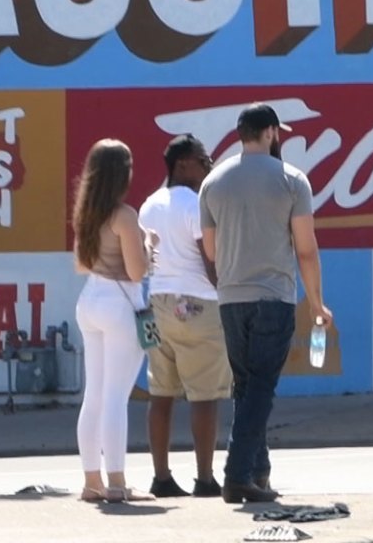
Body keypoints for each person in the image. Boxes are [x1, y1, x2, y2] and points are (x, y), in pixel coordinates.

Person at [198, 103, 330, 506]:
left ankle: (258, 472)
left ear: (241, 134)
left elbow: (210, 250)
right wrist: (317, 304)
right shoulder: (292, 180)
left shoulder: (213, 182)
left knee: (247, 388)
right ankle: (238, 475)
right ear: (271, 132)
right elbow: (306, 250)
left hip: (231, 299)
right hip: (273, 296)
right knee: (260, 388)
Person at [137, 133, 230, 499]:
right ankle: (205, 479)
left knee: (160, 393)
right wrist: (228, 290)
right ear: (182, 165)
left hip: (157, 303)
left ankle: (161, 477)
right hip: (199, 305)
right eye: (202, 159)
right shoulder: (195, 204)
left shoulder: (149, 204)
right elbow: (210, 261)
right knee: (204, 395)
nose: (208, 164)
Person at [71, 137, 153, 505]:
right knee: (116, 398)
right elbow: (137, 273)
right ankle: (117, 482)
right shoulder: (124, 216)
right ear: (122, 173)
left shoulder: (85, 212)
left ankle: (92, 481)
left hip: (90, 298)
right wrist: (147, 246)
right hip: (120, 305)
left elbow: (81, 265)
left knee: (95, 395)